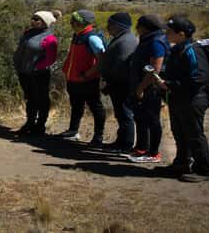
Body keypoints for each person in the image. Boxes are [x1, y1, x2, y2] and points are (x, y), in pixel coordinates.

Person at [157, 16, 209, 182]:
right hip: (179, 98)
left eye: (169, 31)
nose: (166, 33)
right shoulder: (179, 48)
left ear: (181, 34)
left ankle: (203, 170)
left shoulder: (192, 50)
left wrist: (170, 84)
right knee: (180, 132)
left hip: (193, 99)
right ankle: (181, 163)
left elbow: (199, 78)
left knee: (194, 134)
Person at [59, 9, 106, 146]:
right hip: (73, 79)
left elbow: (102, 60)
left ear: (81, 22)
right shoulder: (77, 35)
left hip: (87, 80)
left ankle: (98, 136)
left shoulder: (92, 38)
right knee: (76, 106)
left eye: (73, 21)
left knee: (95, 107)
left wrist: (88, 74)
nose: (71, 23)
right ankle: (73, 131)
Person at [127, 14, 170, 163]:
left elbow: (155, 69)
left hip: (150, 87)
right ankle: (141, 148)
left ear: (145, 27)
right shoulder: (149, 39)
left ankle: (153, 153)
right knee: (141, 118)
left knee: (152, 119)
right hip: (143, 85)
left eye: (138, 25)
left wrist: (141, 88)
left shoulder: (156, 42)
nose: (136, 27)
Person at [12, 10, 61, 137]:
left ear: (45, 23)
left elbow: (50, 59)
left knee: (42, 100)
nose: (33, 21)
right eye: (33, 18)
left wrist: (36, 67)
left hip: (39, 74)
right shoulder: (28, 33)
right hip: (24, 72)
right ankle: (29, 123)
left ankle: (40, 126)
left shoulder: (50, 39)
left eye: (37, 19)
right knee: (30, 99)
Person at [98, 12, 138, 153]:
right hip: (118, 83)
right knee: (121, 114)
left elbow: (121, 65)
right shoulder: (122, 38)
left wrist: (110, 80)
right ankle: (121, 141)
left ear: (118, 26)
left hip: (122, 84)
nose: (108, 27)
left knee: (125, 114)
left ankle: (125, 144)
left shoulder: (126, 41)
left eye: (110, 24)